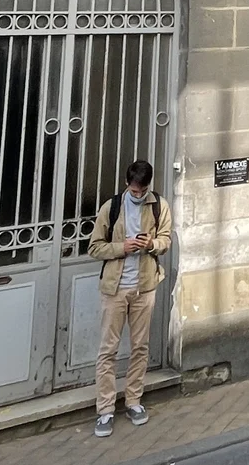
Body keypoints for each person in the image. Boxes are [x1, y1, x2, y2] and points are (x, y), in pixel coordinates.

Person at [87, 159, 172, 439]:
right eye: (135, 191)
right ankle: (105, 409)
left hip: (145, 286)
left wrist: (151, 245)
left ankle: (134, 401)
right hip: (115, 288)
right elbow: (94, 248)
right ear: (127, 184)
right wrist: (121, 247)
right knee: (108, 350)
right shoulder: (111, 208)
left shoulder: (159, 205)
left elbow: (166, 240)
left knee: (140, 347)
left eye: (143, 191)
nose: (139, 195)